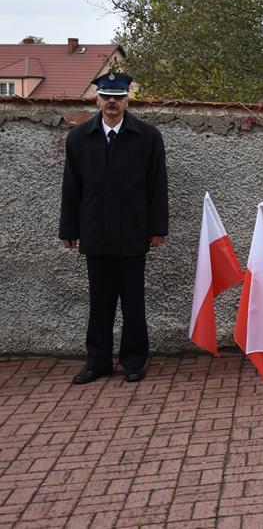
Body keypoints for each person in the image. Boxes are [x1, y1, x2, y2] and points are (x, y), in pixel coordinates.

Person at [59, 72, 168, 384]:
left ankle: (134, 360)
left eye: (118, 97)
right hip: (95, 232)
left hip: (133, 232)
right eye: (106, 96)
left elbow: (156, 185)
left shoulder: (147, 137)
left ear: (127, 99)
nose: (111, 102)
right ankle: (98, 362)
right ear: (97, 99)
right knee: (100, 302)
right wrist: (69, 228)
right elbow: (72, 187)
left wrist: (158, 226)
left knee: (133, 301)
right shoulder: (79, 139)